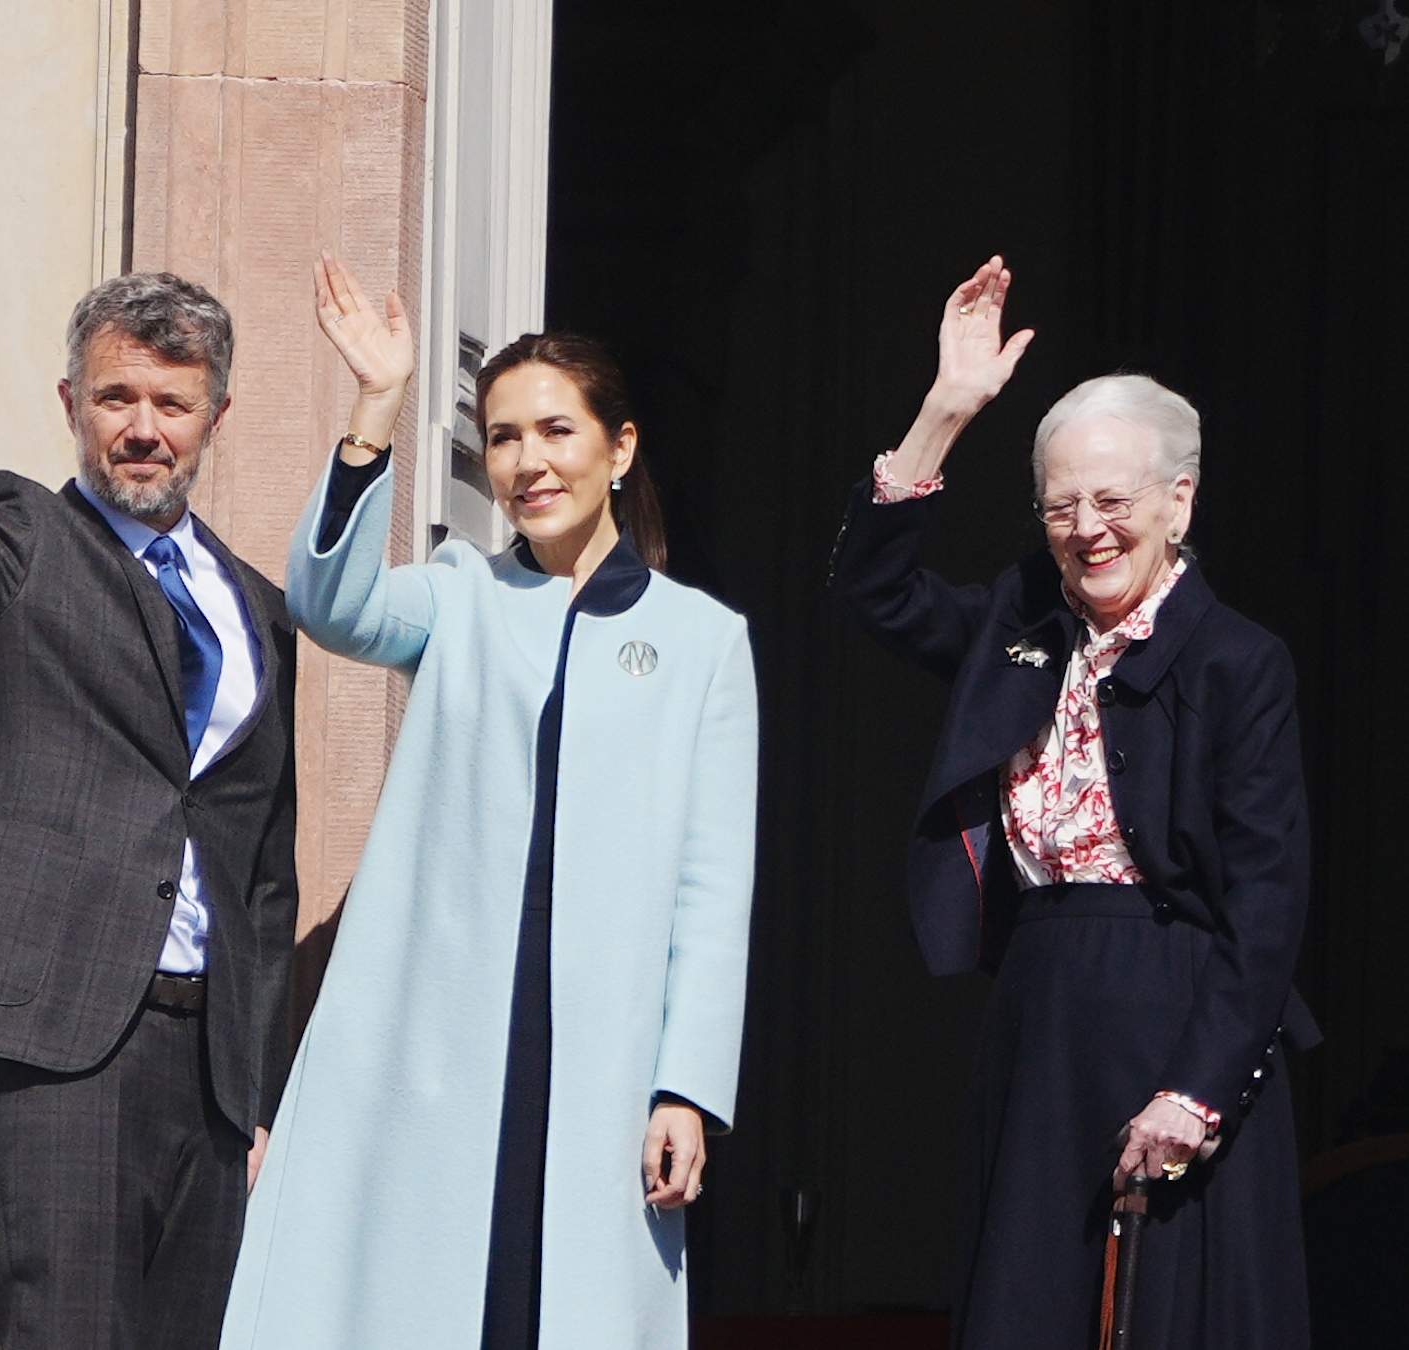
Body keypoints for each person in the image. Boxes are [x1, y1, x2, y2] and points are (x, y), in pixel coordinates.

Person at [220, 255, 758, 1349]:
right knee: (421, 1302)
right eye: (502, 437)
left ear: (621, 447)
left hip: (603, 1052)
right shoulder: (460, 596)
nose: (526, 461)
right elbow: (332, 604)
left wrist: (686, 1085)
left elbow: (714, 885)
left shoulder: (705, 640)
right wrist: (374, 411)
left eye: (556, 431)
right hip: (443, 1041)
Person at [0, 118, 299, 1348]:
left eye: (172, 403)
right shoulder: (19, 543)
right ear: (72, 403)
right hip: (63, 1036)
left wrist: (255, 1083)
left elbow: (260, 867)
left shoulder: (256, 608)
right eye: (117, 399)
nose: (142, 428)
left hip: (211, 1069)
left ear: (215, 415)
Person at [830, 255, 1319, 1348]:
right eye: (1060, 505)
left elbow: (1267, 902)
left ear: (1178, 500)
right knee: (1028, 1308)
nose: (1085, 528)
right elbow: (874, 595)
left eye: (1112, 501)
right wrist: (943, 413)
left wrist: (1195, 1091)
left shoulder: (1239, 663)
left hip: (1185, 1008)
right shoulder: (1023, 624)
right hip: (1043, 1005)